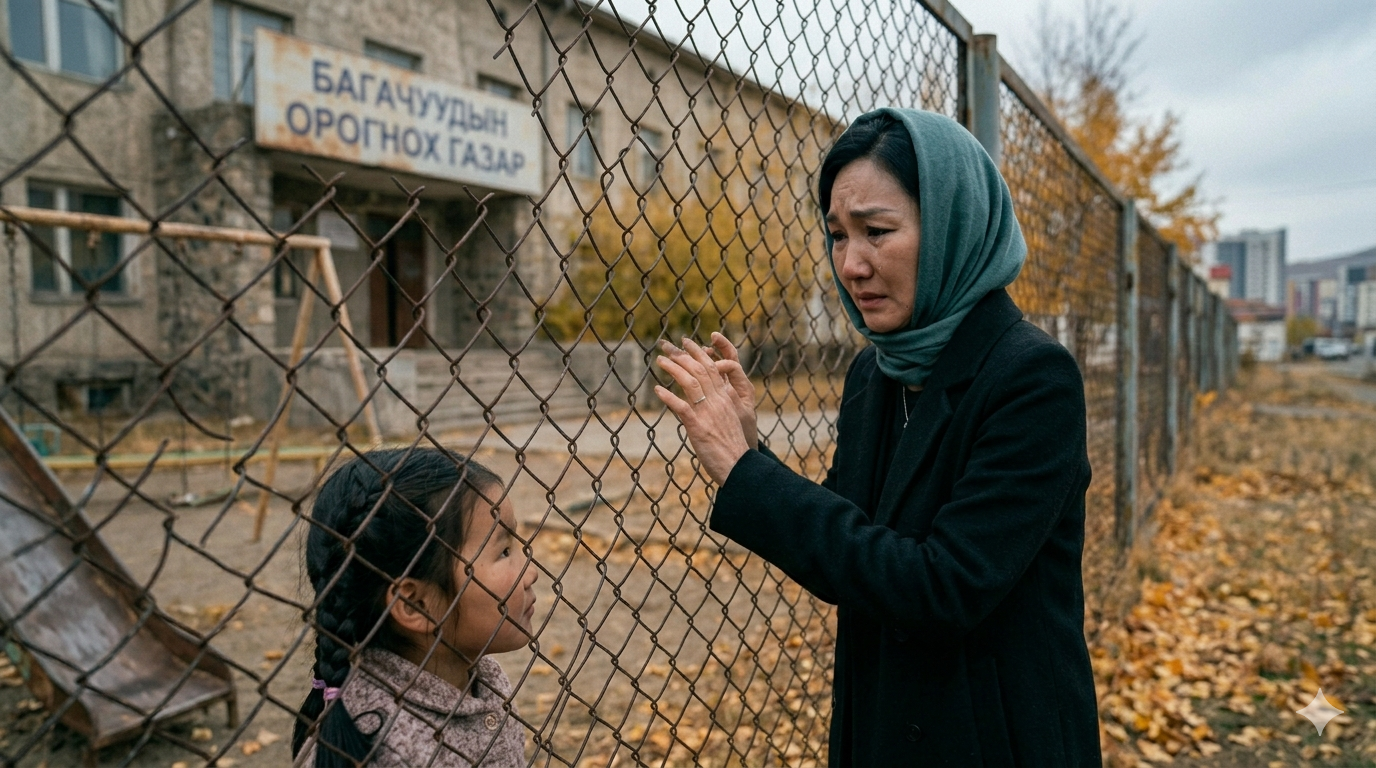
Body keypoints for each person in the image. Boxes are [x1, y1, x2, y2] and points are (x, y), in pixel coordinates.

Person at [654, 108, 1102, 766]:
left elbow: (944, 587)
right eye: (837, 236)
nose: (851, 265)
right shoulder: (877, 370)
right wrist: (752, 450)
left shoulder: (1033, 379)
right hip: (881, 726)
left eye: (877, 232)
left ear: (951, 226)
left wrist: (747, 476)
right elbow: (853, 537)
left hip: (996, 738)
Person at [292, 448, 537, 767]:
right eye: (503, 552)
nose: (531, 572)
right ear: (415, 604)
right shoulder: (385, 749)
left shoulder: (485, 681)